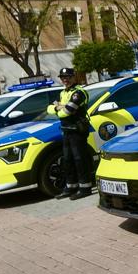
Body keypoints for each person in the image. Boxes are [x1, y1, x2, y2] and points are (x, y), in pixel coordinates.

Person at [49, 67, 92, 199]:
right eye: (63, 77)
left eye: (68, 77)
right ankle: (71, 186)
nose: (65, 80)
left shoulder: (79, 92)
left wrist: (60, 108)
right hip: (66, 130)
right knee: (67, 160)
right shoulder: (63, 93)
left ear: (74, 77)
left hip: (77, 131)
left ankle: (85, 188)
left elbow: (67, 112)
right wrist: (58, 107)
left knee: (80, 159)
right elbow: (49, 108)